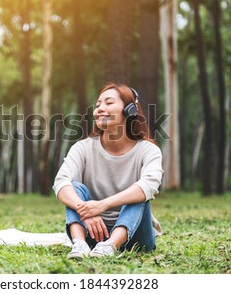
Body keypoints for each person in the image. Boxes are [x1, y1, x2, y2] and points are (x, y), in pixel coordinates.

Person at [52, 83, 163, 260]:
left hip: (136, 238)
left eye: (109, 103)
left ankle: (111, 245)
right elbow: (61, 182)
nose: (100, 109)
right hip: (93, 234)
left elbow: (149, 185)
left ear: (130, 110)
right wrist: (87, 211)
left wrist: (101, 205)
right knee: (74, 187)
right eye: (97, 105)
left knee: (139, 193)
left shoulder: (148, 150)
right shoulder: (83, 148)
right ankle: (79, 244)